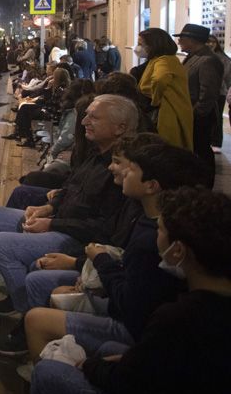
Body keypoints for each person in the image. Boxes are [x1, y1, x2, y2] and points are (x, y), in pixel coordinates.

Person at [29, 188, 231, 394]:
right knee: (108, 349)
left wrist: (90, 365)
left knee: (47, 373)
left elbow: (128, 385)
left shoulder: (180, 317)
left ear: (178, 250)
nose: (156, 236)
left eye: (160, 229)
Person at [23, 141, 207, 362]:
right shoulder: (142, 215)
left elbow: (131, 304)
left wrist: (99, 263)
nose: (120, 170)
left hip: (131, 324)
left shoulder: (155, 239)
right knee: (57, 290)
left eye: (129, 168)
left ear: (151, 185)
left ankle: (48, 375)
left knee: (36, 317)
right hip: (120, 295)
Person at [0, 95, 138, 352]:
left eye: (94, 117)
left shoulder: (119, 171)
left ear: (120, 128)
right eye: (86, 114)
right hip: (61, 220)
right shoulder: (95, 153)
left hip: (75, 237)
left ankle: (28, 316)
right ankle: (22, 291)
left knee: (2, 244)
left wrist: (52, 224)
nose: (85, 121)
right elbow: (70, 188)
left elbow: (100, 227)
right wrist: (47, 208)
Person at [175, 23, 224, 186]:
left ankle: (205, 186)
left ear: (192, 40)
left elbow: (209, 93)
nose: (179, 41)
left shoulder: (208, 60)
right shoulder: (193, 57)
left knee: (202, 150)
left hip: (200, 116)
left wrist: (196, 113)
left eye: (182, 38)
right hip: (191, 113)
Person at [135, 27, 192, 150]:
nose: (138, 47)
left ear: (153, 45)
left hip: (167, 112)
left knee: (167, 148)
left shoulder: (164, 60)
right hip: (165, 109)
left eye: (141, 44)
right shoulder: (158, 60)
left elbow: (159, 79)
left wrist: (155, 99)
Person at [206, 35, 231, 146]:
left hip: (219, 92)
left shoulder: (222, 58)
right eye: (208, 42)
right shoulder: (204, 56)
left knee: (217, 117)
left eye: (213, 42)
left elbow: (225, 76)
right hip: (211, 91)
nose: (210, 44)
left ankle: (216, 142)